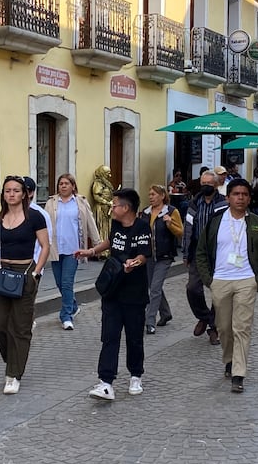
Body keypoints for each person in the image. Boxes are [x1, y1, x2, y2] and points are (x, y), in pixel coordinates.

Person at [195, 179, 258, 393]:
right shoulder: (215, 222)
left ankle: (239, 373)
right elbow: (201, 252)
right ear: (228, 197)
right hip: (220, 280)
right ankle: (229, 359)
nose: (241, 198)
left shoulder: (256, 223)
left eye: (245, 194)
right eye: (236, 194)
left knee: (242, 327)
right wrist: (208, 280)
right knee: (224, 328)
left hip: (246, 280)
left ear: (249, 198)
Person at [76, 188, 151, 401]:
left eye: (115, 204)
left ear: (126, 208)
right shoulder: (116, 224)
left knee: (134, 337)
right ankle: (106, 382)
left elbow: (144, 255)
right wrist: (91, 251)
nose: (112, 207)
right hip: (113, 288)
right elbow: (111, 241)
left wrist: (132, 264)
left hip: (134, 292)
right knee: (109, 336)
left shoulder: (142, 227)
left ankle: (136, 375)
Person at [0, 175, 50, 395]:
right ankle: (13, 359)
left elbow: (45, 246)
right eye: (7, 190)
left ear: (24, 194)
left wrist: (36, 273)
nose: (11, 194)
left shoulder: (34, 217)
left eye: (16, 190)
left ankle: (13, 374)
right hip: (3, 273)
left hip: (25, 272)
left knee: (20, 327)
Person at [44, 173, 100, 330]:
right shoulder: (51, 202)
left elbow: (90, 222)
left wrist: (97, 245)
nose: (63, 186)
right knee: (59, 283)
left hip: (73, 249)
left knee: (67, 282)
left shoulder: (80, 202)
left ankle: (66, 316)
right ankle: (74, 306)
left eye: (66, 183)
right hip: (56, 249)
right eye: (60, 183)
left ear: (73, 186)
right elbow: (44, 225)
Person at [182, 169, 228, 345]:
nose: (205, 187)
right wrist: (186, 252)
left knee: (218, 292)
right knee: (192, 288)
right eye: (203, 184)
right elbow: (187, 229)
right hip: (196, 252)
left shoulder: (223, 204)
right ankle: (205, 317)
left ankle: (214, 328)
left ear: (216, 185)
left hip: (217, 253)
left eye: (209, 184)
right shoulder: (194, 203)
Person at [141, 184, 183, 334]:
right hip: (149, 256)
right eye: (150, 194)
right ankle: (166, 313)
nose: (150, 197)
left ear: (162, 196)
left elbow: (180, 233)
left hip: (164, 256)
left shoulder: (172, 211)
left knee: (155, 288)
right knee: (154, 287)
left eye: (153, 194)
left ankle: (149, 321)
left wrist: (170, 224)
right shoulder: (145, 212)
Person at [91, 165, 115, 257]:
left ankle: (107, 249)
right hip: (101, 209)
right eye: (107, 173)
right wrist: (107, 202)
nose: (109, 175)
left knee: (107, 229)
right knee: (102, 229)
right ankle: (101, 251)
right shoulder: (98, 184)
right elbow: (96, 196)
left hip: (108, 208)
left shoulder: (106, 183)